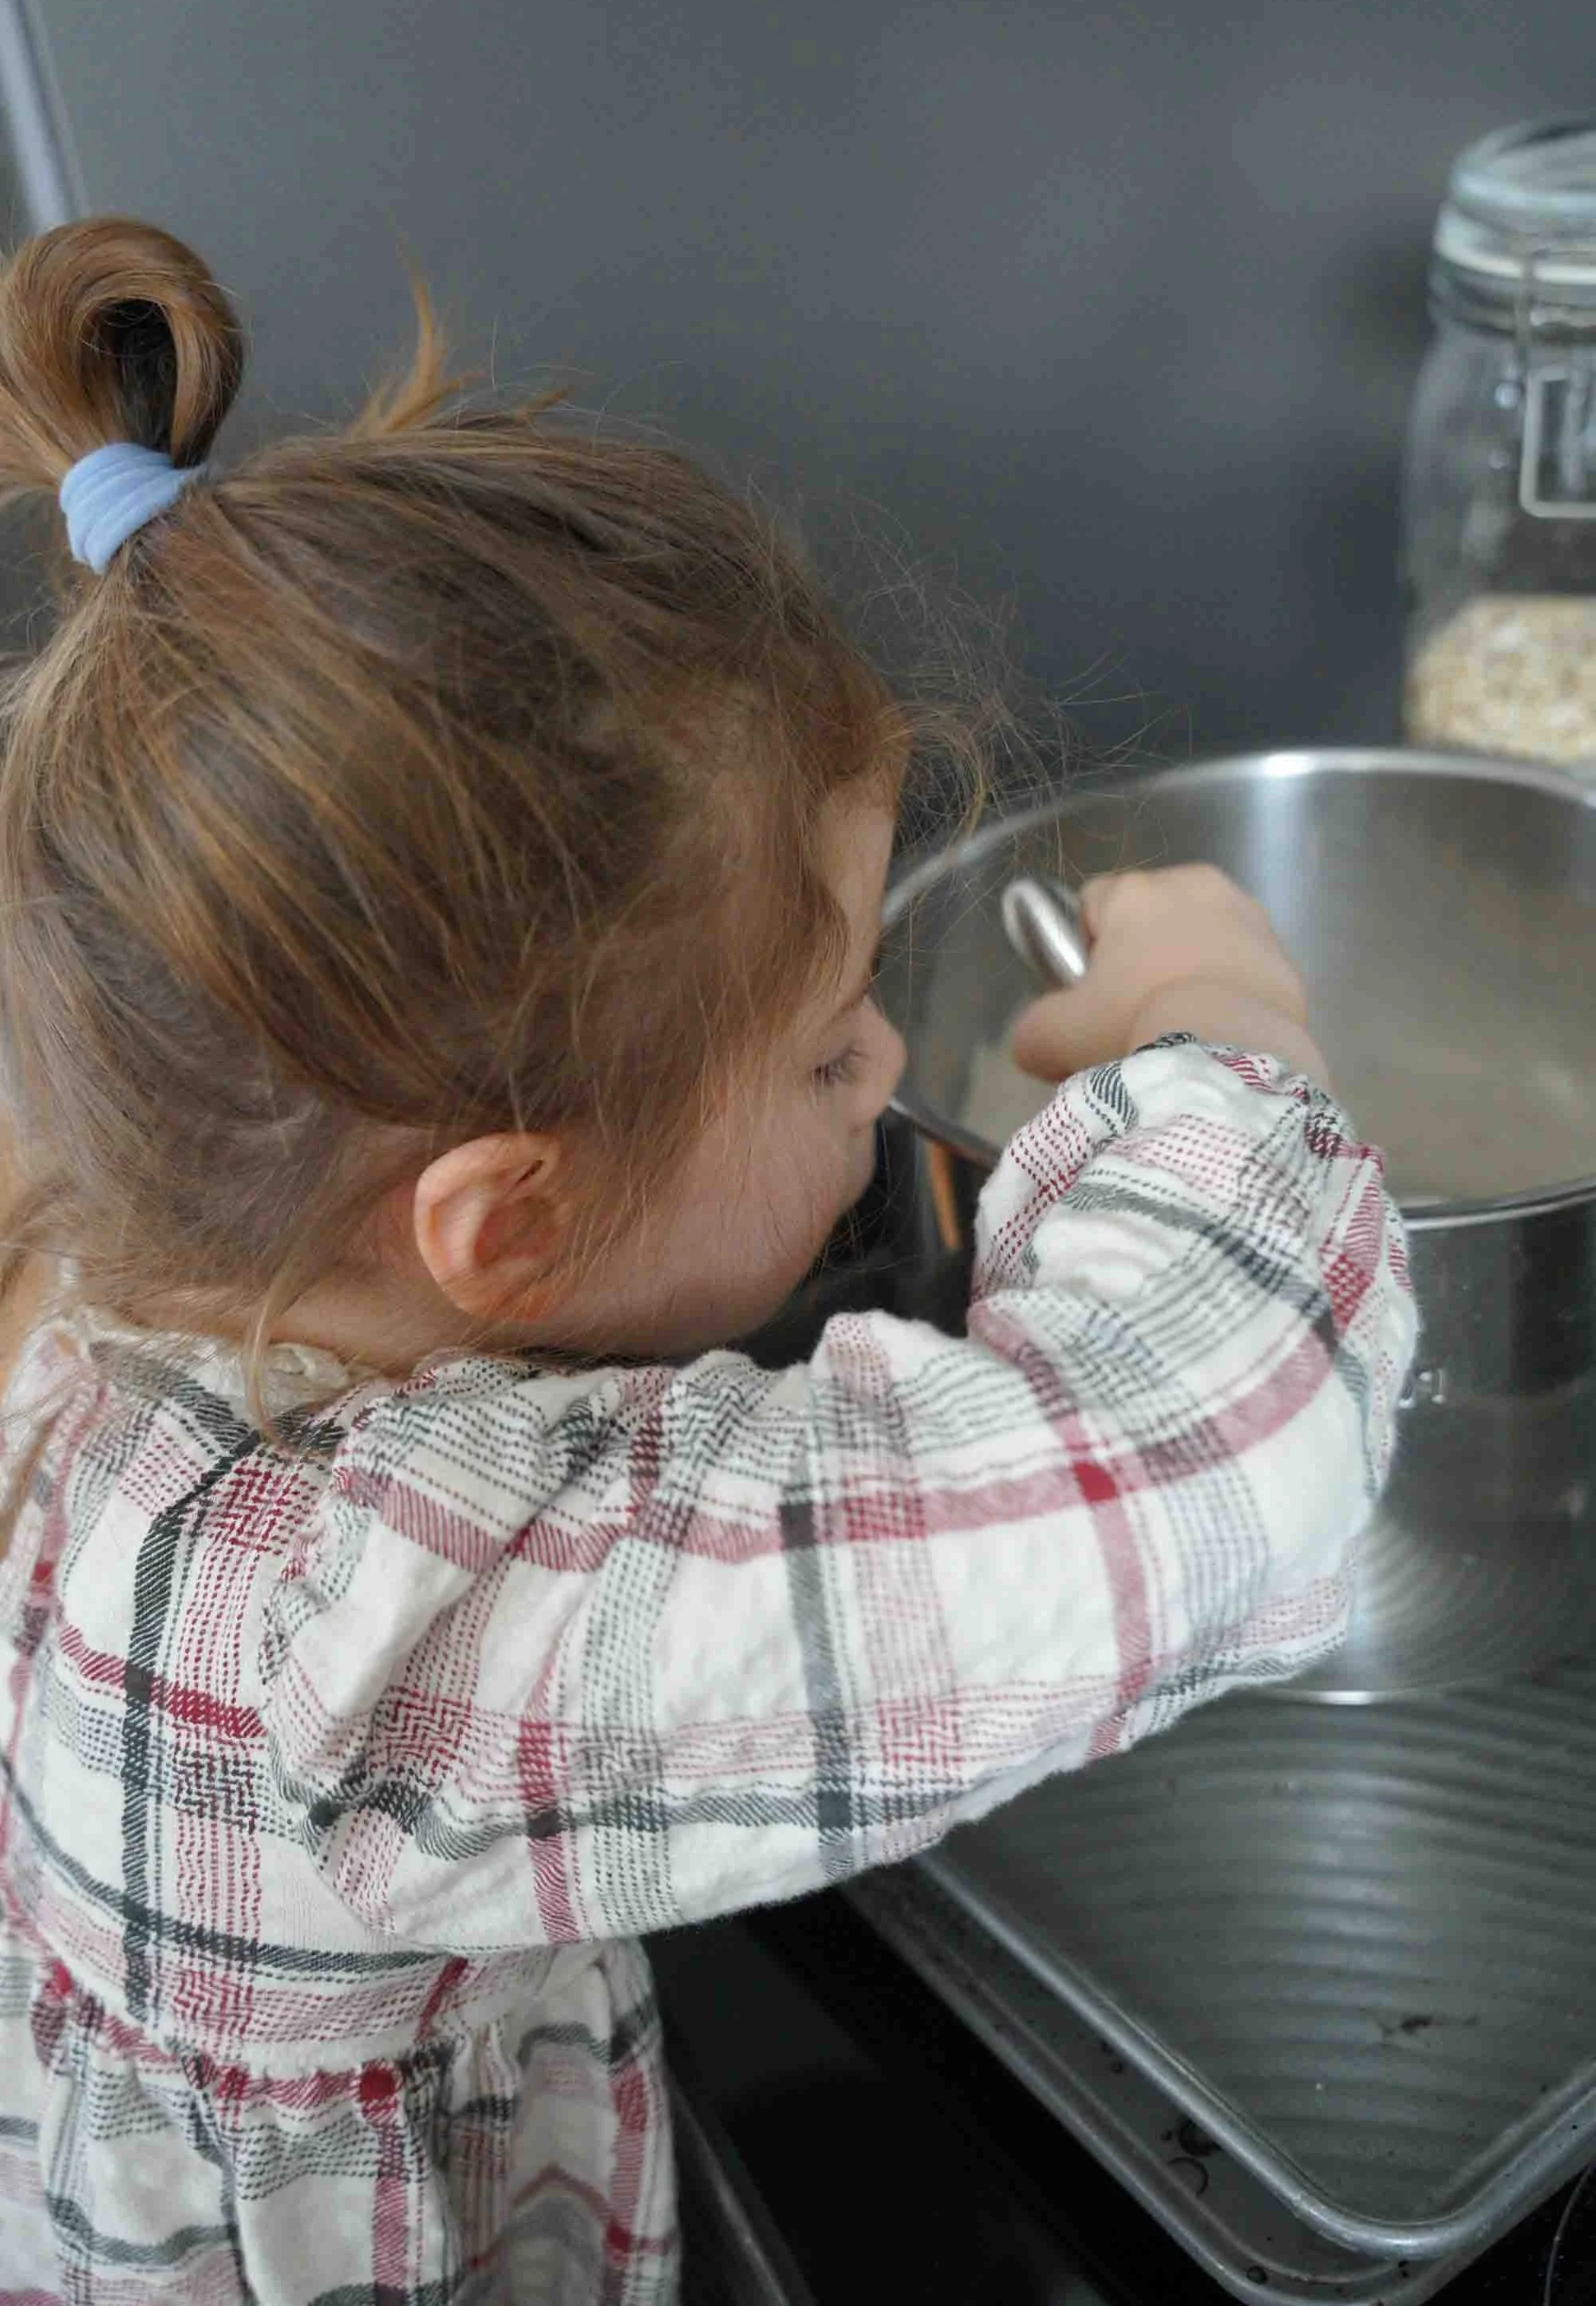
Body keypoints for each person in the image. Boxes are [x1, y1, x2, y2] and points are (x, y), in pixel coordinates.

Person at [0, 216, 1414, 2306]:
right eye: (836, 1040)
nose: (886, 1065)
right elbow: (1226, 1455)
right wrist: (1228, 1042)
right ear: (507, 1223)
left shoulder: (119, 1195)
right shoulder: (380, 1640)